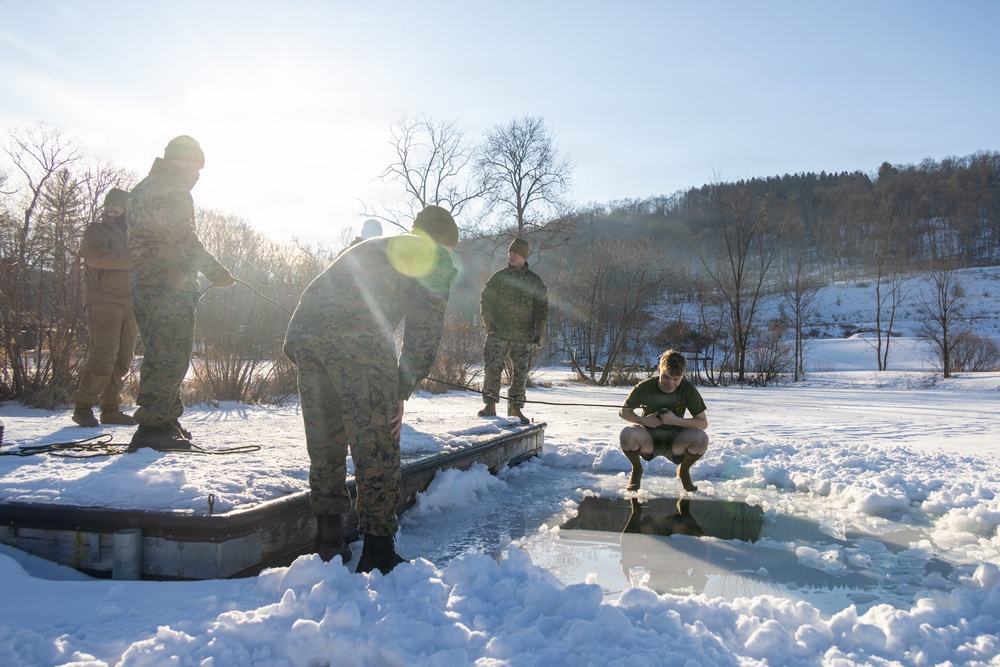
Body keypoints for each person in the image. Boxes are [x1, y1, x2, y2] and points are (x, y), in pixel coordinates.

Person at [283, 205, 459, 574]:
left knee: (326, 439)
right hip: (359, 340)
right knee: (377, 442)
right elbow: (424, 335)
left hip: (305, 333)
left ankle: (328, 543)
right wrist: (402, 387)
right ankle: (378, 553)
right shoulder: (435, 256)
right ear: (446, 242)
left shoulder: (376, 245)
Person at [126, 136, 235, 451]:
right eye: (195, 163)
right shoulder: (170, 189)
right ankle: (153, 428)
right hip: (168, 284)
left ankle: (163, 418)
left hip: (145, 283)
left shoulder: (144, 188)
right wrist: (216, 272)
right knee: (170, 356)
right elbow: (182, 238)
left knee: (160, 354)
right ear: (180, 160)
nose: (197, 171)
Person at [71, 187, 139, 428]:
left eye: (117, 205)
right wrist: (135, 260)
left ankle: (110, 410)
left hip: (129, 302)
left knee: (123, 357)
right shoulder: (95, 230)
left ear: (126, 209)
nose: (111, 208)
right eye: (108, 204)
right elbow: (96, 258)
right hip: (103, 300)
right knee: (104, 354)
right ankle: (82, 407)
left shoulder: (133, 234)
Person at [477, 237, 548, 424]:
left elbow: (542, 306)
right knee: (492, 367)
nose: (511, 255)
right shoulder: (499, 278)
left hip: (523, 335)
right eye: (509, 252)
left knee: (521, 372)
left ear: (523, 256)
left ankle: (516, 408)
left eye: (515, 253)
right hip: (498, 332)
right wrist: (489, 322)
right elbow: (486, 301)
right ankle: (490, 405)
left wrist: (540, 330)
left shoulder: (534, 281)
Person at [619, 349, 709, 492]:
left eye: (676, 379)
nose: (671, 383)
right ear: (659, 369)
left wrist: (676, 421)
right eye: (666, 377)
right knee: (627, 434)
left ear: (683, 374)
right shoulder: (645, 386)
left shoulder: (688, 389)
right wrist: (644, 421)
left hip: (676, 441)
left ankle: (683, 471)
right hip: (649, 438)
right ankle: (636, 470)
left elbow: (702, 423)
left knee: (701, 439)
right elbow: (624, 411)